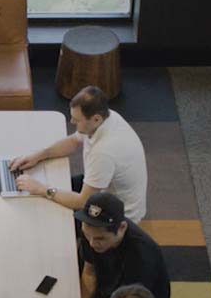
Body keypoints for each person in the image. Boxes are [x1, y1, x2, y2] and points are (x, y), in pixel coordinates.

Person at [37, 192, 171, 298]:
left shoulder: (141, 257)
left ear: (122, 228)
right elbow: (89, 273)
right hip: (110, 287)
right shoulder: (93, 231)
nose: (92, 243)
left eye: (100, 239)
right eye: (87, 235)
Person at [10, 86, 147, 222]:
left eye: (77, 119)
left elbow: (83, 202)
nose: (72, 122)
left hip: (118, 214)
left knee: (51, 218)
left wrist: (41, 189)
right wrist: (38, 155)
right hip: (103, 186)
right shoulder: (106, 117)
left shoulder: (104, 152)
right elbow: (74, 141)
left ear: (96, 119)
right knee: (48, 190)